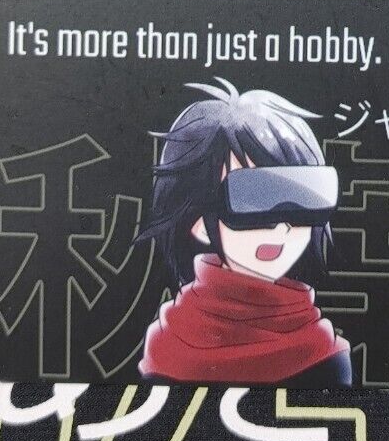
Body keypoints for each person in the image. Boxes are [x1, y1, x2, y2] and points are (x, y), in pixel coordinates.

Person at [137, 78, 353, 386]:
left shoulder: (323, 351)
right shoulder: (168, 344)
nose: (281, 225)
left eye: (301, 197)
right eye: (253, 197)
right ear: (200, 222)